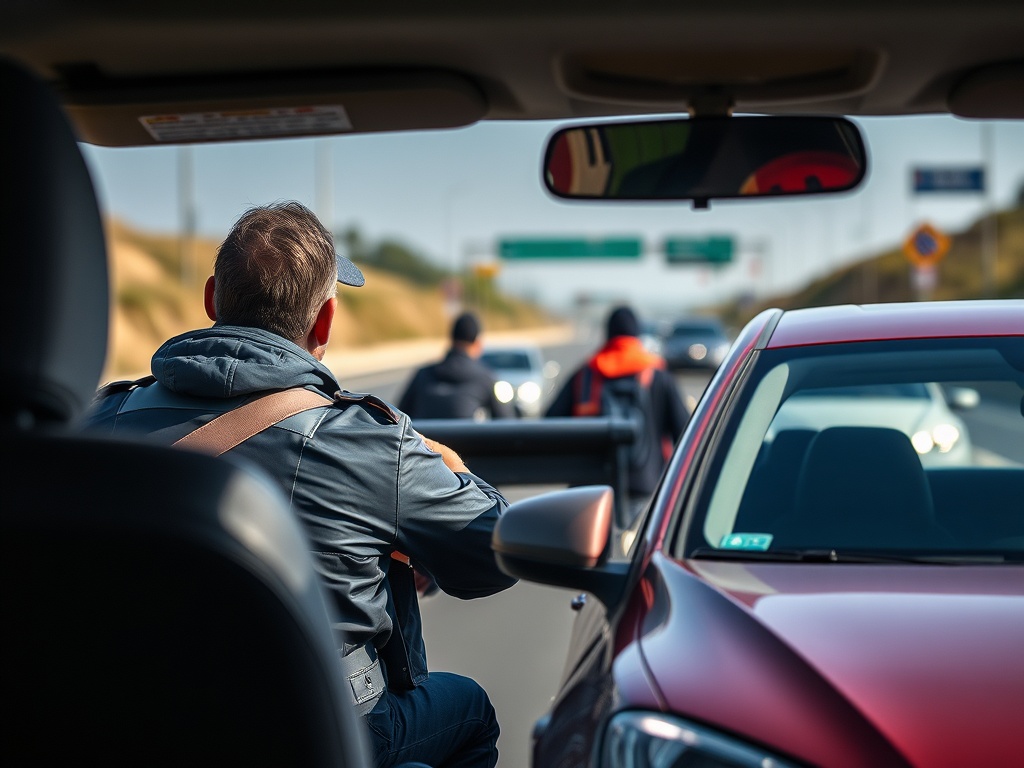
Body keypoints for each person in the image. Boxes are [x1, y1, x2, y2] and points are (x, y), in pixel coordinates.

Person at [85, 201, 517, 768]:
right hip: (322, 731)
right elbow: (492, 554)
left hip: (140, 722)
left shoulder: (100, 420)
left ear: (213, 297)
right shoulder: (369, 442)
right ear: (326, 321)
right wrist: (455, 469)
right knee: (470, 711)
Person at [545, 305, 690, 515]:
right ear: (637, 334)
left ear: (607, 334)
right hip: (644, 486)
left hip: (589, 489)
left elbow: (551, 423)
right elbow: (684, 432)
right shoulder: (659, 376)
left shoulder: (586, 374)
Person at [397, 311, 517, 421]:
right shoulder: (487, 379)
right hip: (464, 445)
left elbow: (399, 417)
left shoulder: (422, 374)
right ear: (478, 343)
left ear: (451, 339)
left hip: (424, 444)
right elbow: (506, 422)